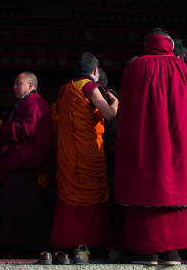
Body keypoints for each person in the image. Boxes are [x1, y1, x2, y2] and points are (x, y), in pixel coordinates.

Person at [115, 28, 187, 266]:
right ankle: (172, 253)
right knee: (172, 186)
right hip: (173, 141)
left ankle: (148, 253)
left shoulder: (136, 67)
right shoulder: (179, 67)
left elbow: (126, 111)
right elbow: (185, 111)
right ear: (169, 44)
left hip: (142, 140)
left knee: (146, 187)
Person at [50, 53, 118, 264]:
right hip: (88, 153)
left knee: (70, 198)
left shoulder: (65, 89)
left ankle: (67, 245)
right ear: (95, 71)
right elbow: (108, 115)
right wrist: (116, 103)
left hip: (68, 156)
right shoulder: (89, 87)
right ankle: (91, 243)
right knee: (93, 196)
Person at [0, 72, 54, 255]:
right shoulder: (27, 102)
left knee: (21, 207)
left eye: (18, 83)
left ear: (30, 85)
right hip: (23, 163)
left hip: (26, 163)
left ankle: (21, 246)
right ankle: (18, 245)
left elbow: (26, 129)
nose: (14, 87)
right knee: (18, 206)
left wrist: (1, 128)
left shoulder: (33, 102)